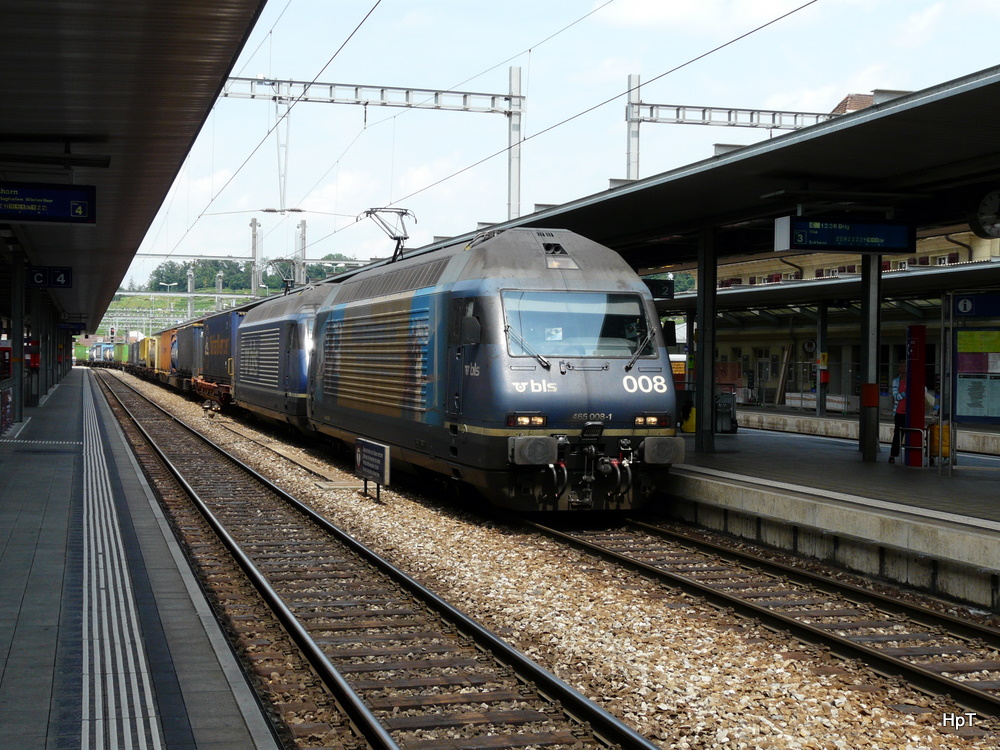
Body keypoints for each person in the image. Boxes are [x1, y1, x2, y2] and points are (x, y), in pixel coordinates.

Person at [889, 362, 907, 463]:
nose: (902, 369)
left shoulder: (913, 380)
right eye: (900, 366)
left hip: (910, 413)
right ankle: (893, 455)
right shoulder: (896, 381)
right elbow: (896, 397)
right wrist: (907, 392)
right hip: (899, 412)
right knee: (898, 434)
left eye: (904, 366)